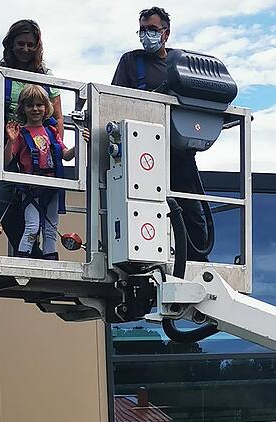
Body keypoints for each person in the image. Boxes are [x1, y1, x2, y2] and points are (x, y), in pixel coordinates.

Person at [0, 19, 65, 255]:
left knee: (45, 207)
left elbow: (57, 117)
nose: (25, 49)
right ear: (10, 44)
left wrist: (58, 150)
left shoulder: (46, 77)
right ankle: (29, 251)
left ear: (37, 46)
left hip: (38, 155)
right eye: (20, 44)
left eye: (30, 44)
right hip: (9, 148)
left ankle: (45, 254)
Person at [112, 6, 210, 261]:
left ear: (166, 33)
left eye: (152, 29)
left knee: (189, 206)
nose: (147, 34)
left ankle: (196, 259)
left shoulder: (182, 64)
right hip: (142, 150)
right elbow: (115, 101)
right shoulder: (131, 62)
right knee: (143, 206)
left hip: (178, 149)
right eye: (142, 29)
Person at [4, 84, 75, 259]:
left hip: (52, 188)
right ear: (23, 108)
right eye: (30, 105)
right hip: (31, 189)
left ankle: (51, 262)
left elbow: (65, 155)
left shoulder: (51, 132)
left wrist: (80, 145)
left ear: (45, 107)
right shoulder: (21, 133)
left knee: (51, 229)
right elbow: (7, 162)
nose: (35, 109)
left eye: (39, 105)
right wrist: (10, 141)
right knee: (32, 227)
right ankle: (22, 261)